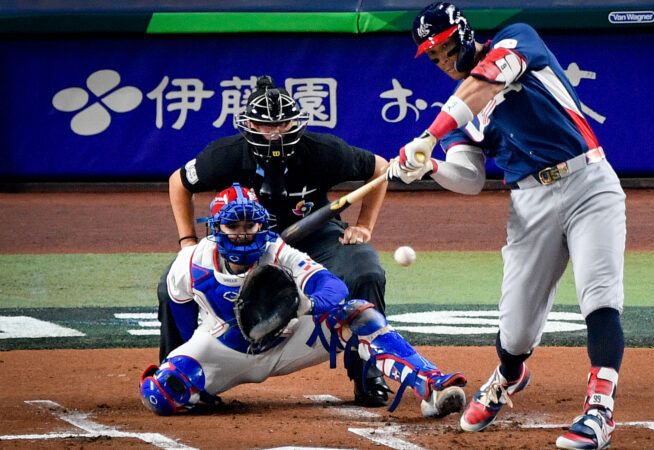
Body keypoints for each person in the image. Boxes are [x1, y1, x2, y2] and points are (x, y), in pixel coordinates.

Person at [389, 3, 626, 449]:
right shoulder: (461, 110)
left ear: (462, 34)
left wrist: (428, 136)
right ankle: (508, 376)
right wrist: (431, 167)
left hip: (589, 182)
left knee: (599, 294)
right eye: (433, 57)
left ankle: (599, 412)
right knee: (515, 333)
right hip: (529, 204)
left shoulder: (515, 40)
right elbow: (471, 178)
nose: (442, 63)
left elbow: (484, 84)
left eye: (443, 50)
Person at [158, 75, 392, 407]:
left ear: (296, 122)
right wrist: (187, 242)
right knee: (170, 285)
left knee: (366, 273)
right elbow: (178, 182)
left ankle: (369, 373)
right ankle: (176, 377)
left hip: (314, 237)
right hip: (241, 242)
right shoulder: (226, 154)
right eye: (266, 125)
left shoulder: (323, 151)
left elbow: (380, 169)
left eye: (283, 123)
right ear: (248, 124)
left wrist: (364, 226)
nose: (275, 132)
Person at [141, 184, 467, 419]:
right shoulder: (190, 263)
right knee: (161, 393)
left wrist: (304, 303)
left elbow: (331, 286)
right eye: (233, 225)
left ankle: (431, 386)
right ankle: (203, 393)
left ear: (261, 225)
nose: (243, 233)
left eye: (250, 225)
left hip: (289, 343)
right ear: (216, 228)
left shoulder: (278, 252)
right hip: (223, 349)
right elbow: (180, 308)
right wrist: (190, 357)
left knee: (356, 313)